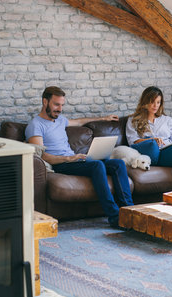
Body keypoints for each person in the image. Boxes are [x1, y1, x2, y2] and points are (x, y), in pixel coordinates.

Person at [25, 86, 134, 228]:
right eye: (56, 104)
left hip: (74, 159)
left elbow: (78, 121)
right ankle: (114, 216)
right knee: (97, 165)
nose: (59, 109)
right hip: (61, 163)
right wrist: (67, 159)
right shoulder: (35, 125)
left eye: (62, 105)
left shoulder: (60, 120)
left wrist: (103, 118)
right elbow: (42, 156)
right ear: (45, 102)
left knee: (118, 164)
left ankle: (131, 212)